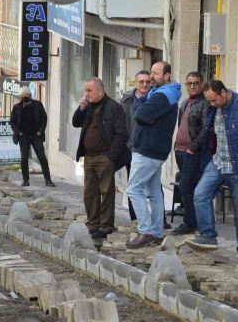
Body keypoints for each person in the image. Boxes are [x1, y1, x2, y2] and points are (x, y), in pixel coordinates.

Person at [188, 80, 238, 263]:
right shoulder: (212, 108)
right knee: (200, 195)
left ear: (223, 92)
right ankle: (208, 235)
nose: (212, 104)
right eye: (209, 101)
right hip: (218, 162)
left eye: (214, 100)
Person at [125, 61, 181, 249]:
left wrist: (141, 101)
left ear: (167, 76)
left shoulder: (161, 96)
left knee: (134, 189)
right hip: (155, 149)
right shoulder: (162, 94)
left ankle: (146, 231)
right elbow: (144, 115)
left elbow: (140, 115)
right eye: (152, 72)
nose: (151, 77)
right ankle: (157, 233)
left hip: (148, 149)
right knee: (154, 191)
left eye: (156, 73)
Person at [72, 78, 130, 239]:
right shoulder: (88, 106)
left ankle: (105, 226)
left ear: (99, 91)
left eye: (89, 91)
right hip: (89, 156)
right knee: (89, 192)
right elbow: (75, 123)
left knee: (106, 192)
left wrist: (112, 156)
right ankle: (92, 223)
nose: (86, 94)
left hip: (105, 156)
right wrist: (81, 108)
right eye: (85, 91)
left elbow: (122, 134)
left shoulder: (113, 107)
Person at [172, 72, 208, 235]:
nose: (192, 86)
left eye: (196, 83)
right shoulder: (186, 102)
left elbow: (206, 130)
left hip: (192, 153)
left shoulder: (204, 104)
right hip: (180, 151)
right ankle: (193, 220)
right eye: (189, 83)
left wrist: (192, 148)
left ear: (201, 85)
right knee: (187, 186)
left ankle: (190, 223)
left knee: (187, 186)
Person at [120, 70, 151, 221]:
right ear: (136, 83)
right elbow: (121, 124)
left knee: (154, 186)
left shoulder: (156, 99)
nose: (145, 85)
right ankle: (135, 220)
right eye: (141, 82)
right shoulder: (126, 100)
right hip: (132, 149)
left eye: (148, 81)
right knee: (133, 186)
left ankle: (160, 220)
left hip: (151, 150)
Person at [9, 86, 54, 187]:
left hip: (36, 136)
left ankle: (48, 180)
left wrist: (40, 131)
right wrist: (18, 132)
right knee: (24, 158)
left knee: (42, 157)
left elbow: (44, 118)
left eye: (27, 95)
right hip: (23, 136)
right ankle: (26, 180)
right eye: (23, 95)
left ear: (30, 95)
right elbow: (12, 122)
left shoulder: (38, 105)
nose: (26, 97)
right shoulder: (17, 107)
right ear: (20, 97)